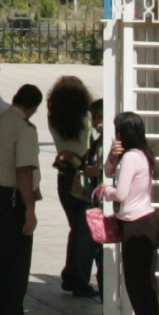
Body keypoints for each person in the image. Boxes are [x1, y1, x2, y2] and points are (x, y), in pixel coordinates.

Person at [0, 70, 43, 315]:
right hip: (12, 199)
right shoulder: (24, 129)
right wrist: (30, 208)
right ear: (33, 108)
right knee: (15, 265)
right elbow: (24, 170)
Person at [101, 111, 159, 315]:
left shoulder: (131, 157)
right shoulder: (138, 155)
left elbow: (121, 193)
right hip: (141, 222)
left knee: (139, 284)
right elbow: (109, 171)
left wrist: (105, 191)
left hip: (138, 223)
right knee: (140, 283)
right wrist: (111, 156)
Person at [46, 76, 102, 300]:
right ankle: (79, 281)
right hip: (83, 177)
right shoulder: (86, 117)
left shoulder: (53, 119)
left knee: (76, 228)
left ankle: (70, 275)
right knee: (84, 233)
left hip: (64, 176)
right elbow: (91, 144)